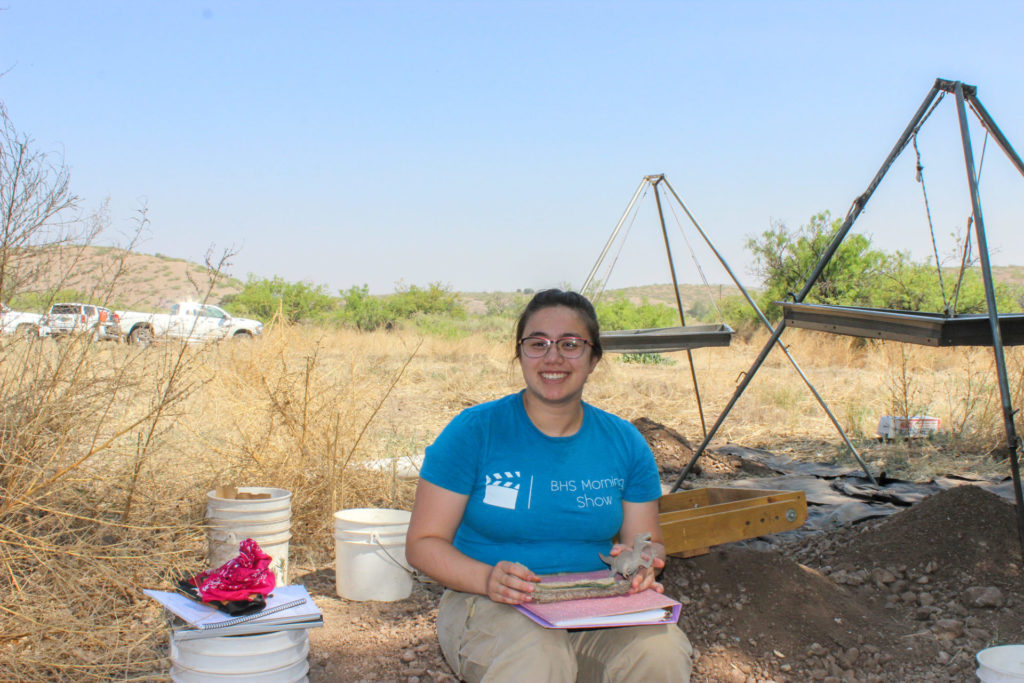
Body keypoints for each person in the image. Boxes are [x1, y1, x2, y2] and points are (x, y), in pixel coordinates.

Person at [406, 289, 693, 682]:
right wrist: (487, 579)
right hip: (492, 601)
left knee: (661, 652)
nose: (553, 357)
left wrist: (643, 566)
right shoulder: (474, 432)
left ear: (594, 359)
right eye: (537, 343)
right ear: (520, 354)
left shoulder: (625, 443)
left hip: (598, 603)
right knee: (538, 659)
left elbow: (650, 543)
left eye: (570, 344)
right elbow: (423, 543)